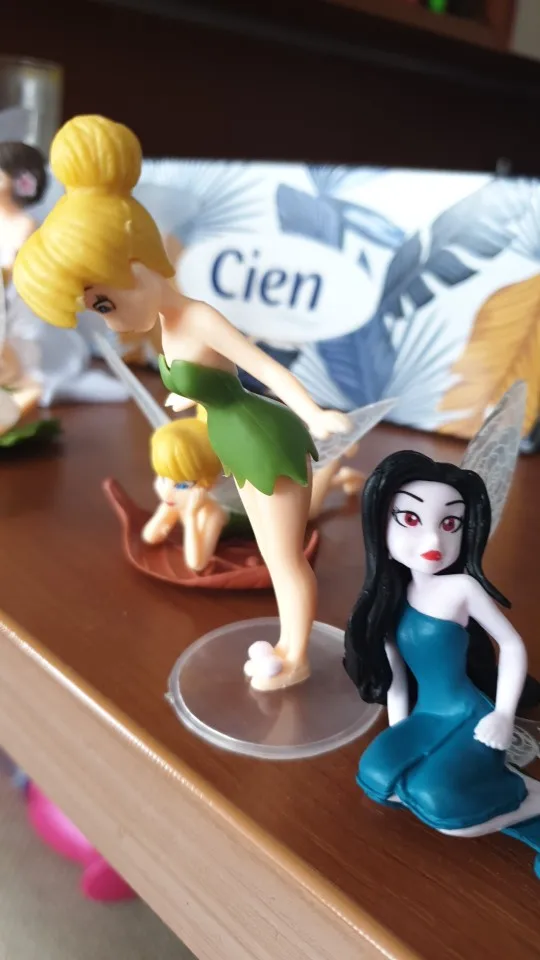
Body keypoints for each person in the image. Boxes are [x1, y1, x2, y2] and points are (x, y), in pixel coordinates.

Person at [13, 114, 352, 691]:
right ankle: (288, 646)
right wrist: (182, 393)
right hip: (233, 442)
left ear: (134, 265)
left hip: (262, 440)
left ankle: (295, 656)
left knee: (283, 559)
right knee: (272, 551)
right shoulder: (166, 327)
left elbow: (263, 368)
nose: (110, 323)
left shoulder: (197, 318)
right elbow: (208, 380)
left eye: (103, 304)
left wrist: (314, 414)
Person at [344, 450, 540, 838]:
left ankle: (529, 799)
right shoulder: (388, 602)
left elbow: (512, 645)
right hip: (426, 714)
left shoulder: (461, 589)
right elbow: (398, 681)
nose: (434, 539)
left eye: (450, 523)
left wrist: (503, 715)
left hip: (470, 713)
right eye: (411, 519)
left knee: (438, 800)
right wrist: (399, 734)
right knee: (378, 776)